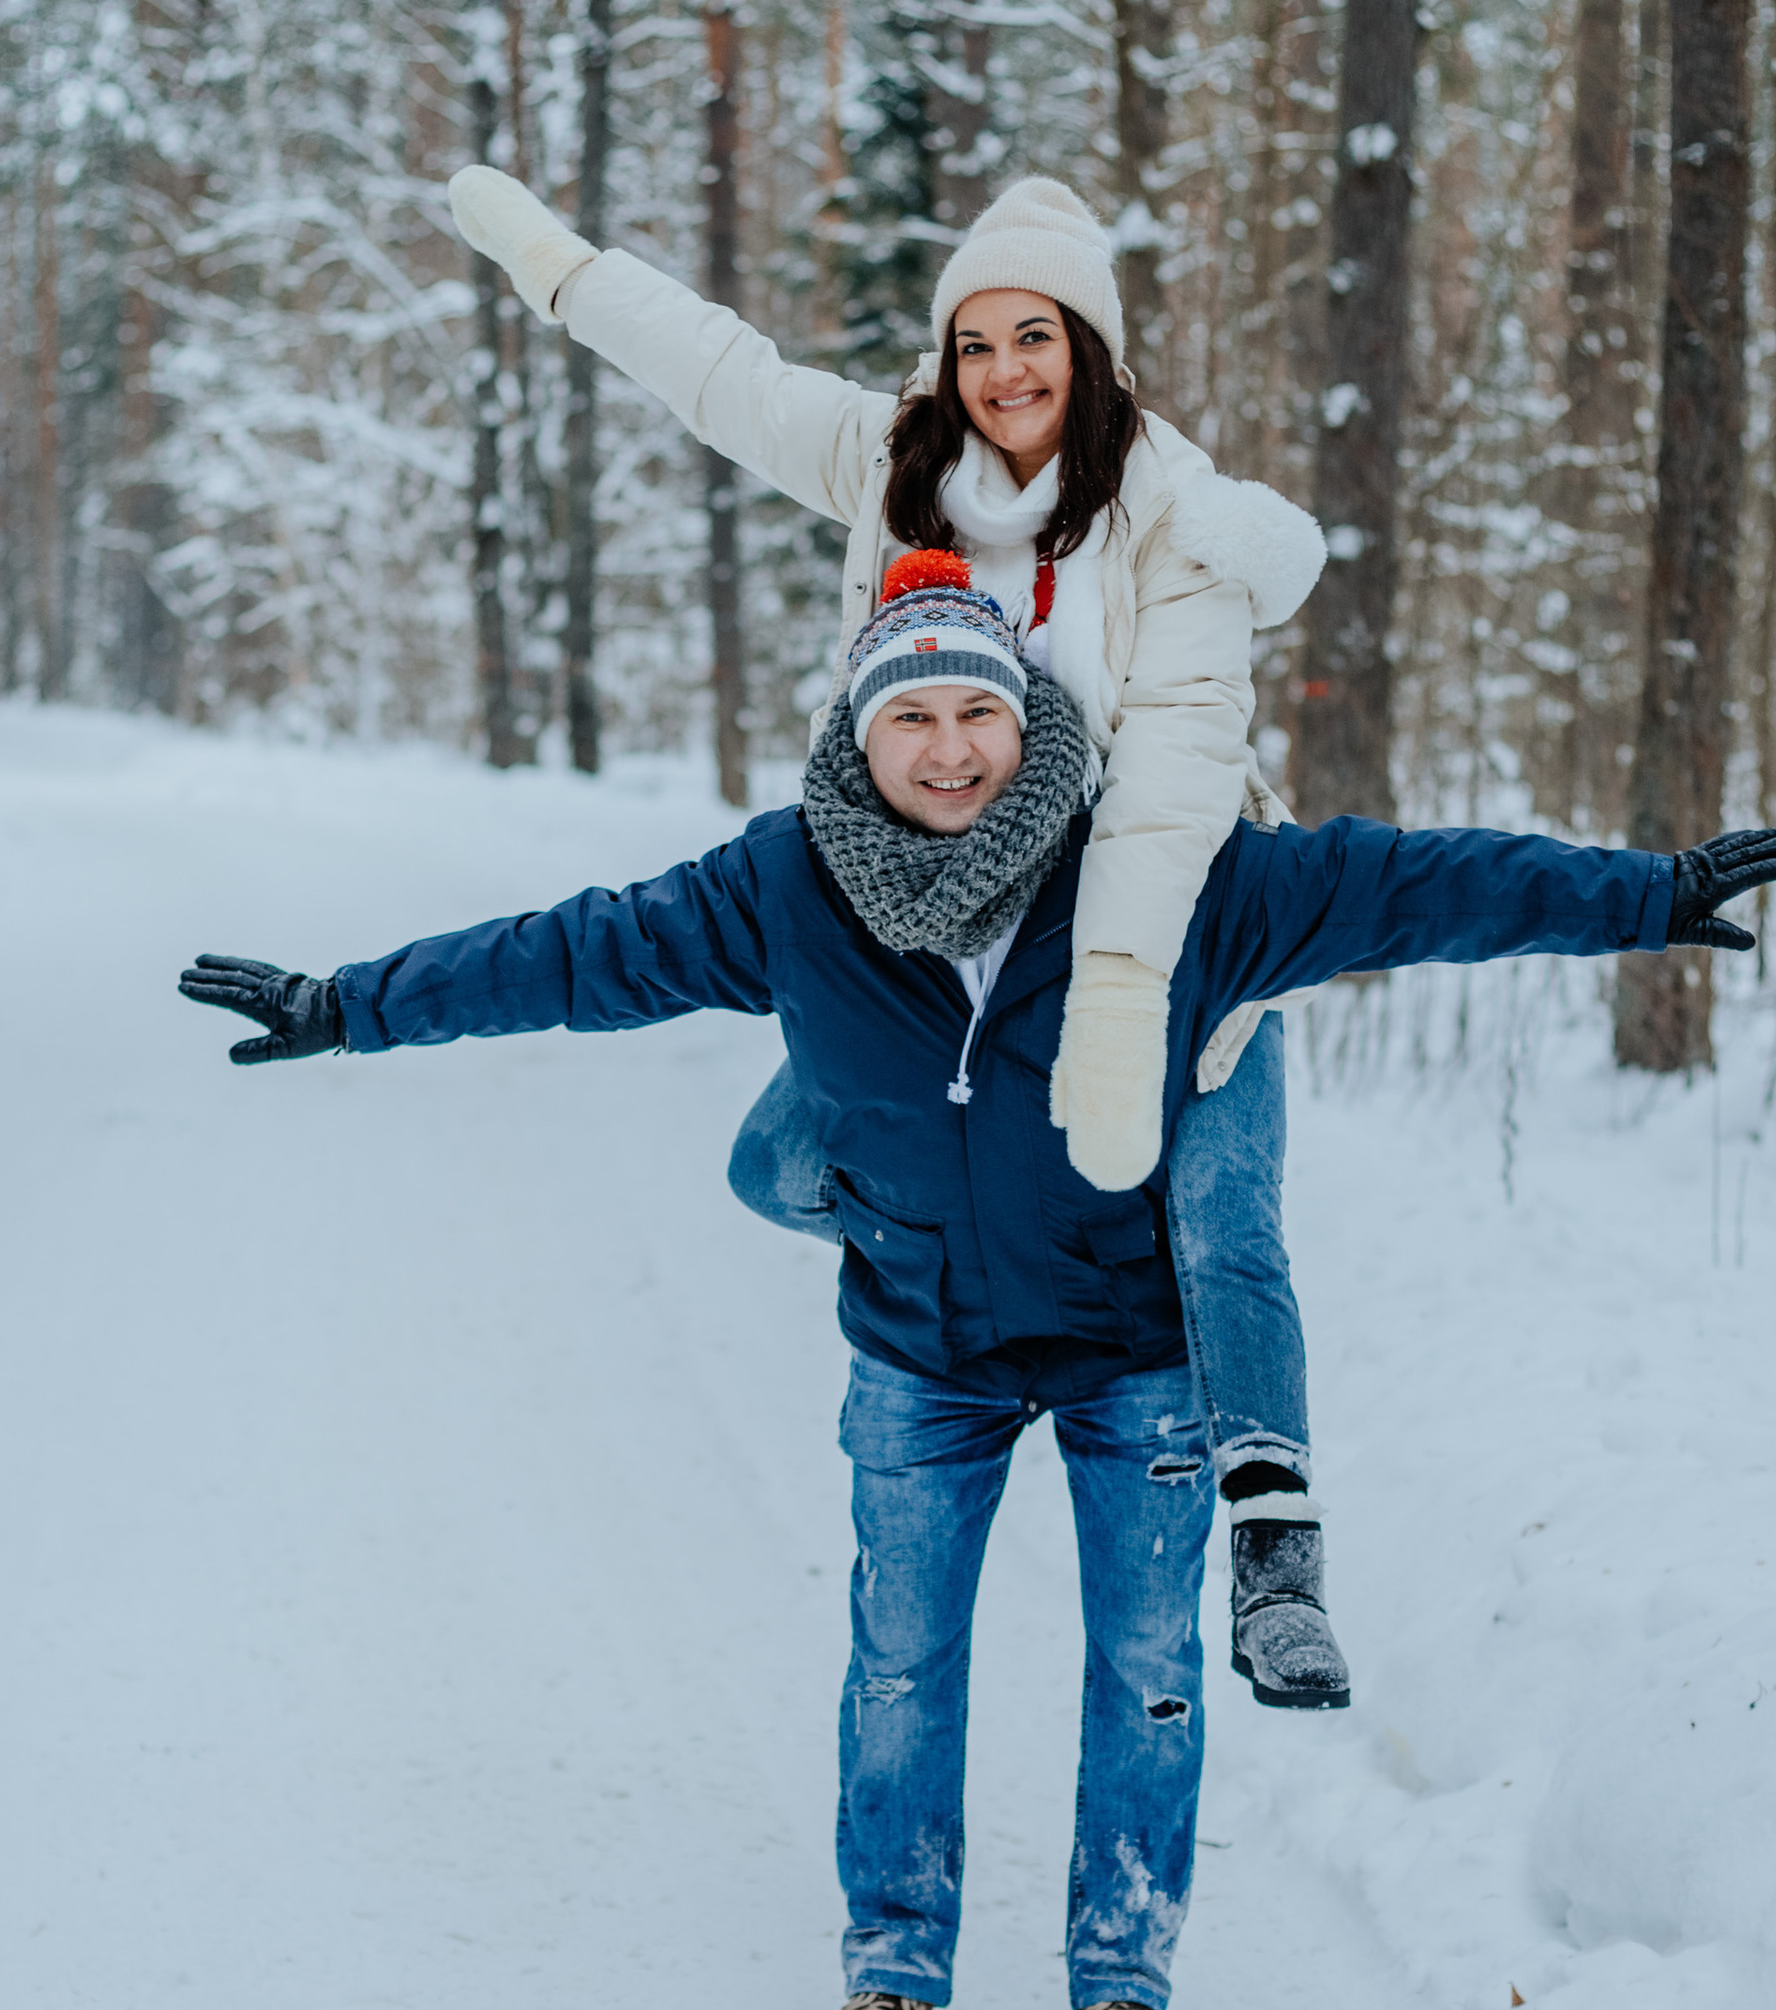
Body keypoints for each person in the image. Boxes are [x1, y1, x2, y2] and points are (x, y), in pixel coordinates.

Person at [180, 554, 1776, 2010]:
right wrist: (350, 1005)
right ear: (859, 728)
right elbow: (573, 954)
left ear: (1028, 721)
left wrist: (1646, 897)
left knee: (1149, 1670)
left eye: (980, 713)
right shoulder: (786, 884)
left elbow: (1407, 883)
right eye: (912, 717)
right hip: (924, 1348)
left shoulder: (1160, 867)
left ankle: (1124, 1996)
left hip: (1132, 1345)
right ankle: (891, 1984)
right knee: (900, 1663)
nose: (950, 749)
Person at [445, 160, 1353, 1711]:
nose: (1004, 371)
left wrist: (1123, 993)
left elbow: (1174, 784)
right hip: (955, 942)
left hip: (1167, 919)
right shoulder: (893, 461)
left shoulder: (1177, 517)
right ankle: (993, 1240)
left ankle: (1276, 1549)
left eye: (1035, 336)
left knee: (1221, 1214)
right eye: (975, 340)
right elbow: (720, 373)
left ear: (1090, 349)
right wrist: (559, 265)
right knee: (772, 1163)